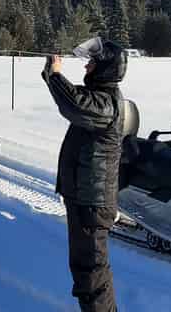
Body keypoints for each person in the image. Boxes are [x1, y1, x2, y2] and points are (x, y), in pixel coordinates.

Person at [41, 37, 127, 312]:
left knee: (92, 272)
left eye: (91, 62)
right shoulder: (100, 97)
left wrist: (55, 75)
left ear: (105, 67)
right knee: (85, 268)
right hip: (84, 198)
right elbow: (73, 98)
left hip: (92, 201)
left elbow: (74, 104)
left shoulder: (106, 103)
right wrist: (50, 74)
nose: (86, 66)